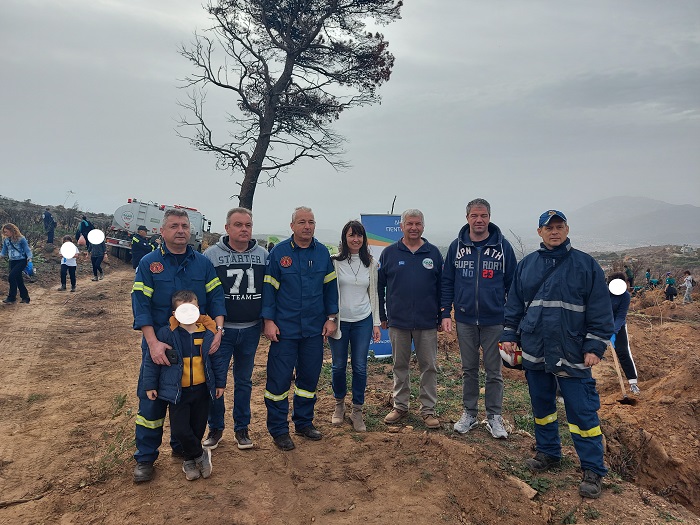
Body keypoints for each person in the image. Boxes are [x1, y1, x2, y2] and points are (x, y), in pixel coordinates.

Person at [500, 210, 614, 499]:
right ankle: (548, 452)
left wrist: (594, 347)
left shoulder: (585, 265)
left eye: (559, 226)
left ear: (567, 229)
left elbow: (601, 311)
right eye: (548, 227)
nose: (554, 231)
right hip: (536, 349)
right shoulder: (527, 266)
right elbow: (514, 305)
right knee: (542, 406)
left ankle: (592, 469)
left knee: (582, 411)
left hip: (572, 352)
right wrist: (509, 336)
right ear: (539, 232)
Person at [131, 209, 226, 483]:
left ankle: (182, 448)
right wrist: (153, 344)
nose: (180, 230)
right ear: (163, 231)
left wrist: (218, 331)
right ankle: (145, 458)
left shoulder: (202, 264)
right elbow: (141, 306)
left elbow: (217, 297)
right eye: (174, 226)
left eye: (184, 225)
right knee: (152, 403)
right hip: (161, 343)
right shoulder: (149, 264)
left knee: (190, 397)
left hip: (196, 343)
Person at [261, 206, 338, 451]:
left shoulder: (323, 252)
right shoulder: (280, 253)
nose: (307, 226)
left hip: (314, 330)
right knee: (279, 381)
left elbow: (330, 289)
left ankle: (304, 422)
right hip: (284, 330)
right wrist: (268, 321)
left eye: (311, 222)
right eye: (302, 222)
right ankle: (279, 430)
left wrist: (331, 317)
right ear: (292, 226)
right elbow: (269, 290)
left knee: (308, 379)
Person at [440, 198, 517, 439]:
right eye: (474, 216)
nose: (479, 220)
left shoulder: (503, 248)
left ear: (489, 217)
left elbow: (513, 287)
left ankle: (494, 416)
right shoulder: (456, 247)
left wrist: (511, 321)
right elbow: (447, 282)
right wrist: (445, 312)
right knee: (469, 369)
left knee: (494, 371)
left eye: (483, 215)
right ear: (467, 218)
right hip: (464, 319)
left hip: (495, 320)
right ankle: (470, 413)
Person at [201, 207, 268, 450]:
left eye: (248, 225)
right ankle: (215, 428)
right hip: (221, 331)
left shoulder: (263, 255)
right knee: (216, 380)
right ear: (227, 228)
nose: (244, 229)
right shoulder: (211, 255)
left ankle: (242, 429)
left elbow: (269, 292)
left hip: (250, 330)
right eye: (238, 225)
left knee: (244, 381)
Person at [142, 290, 226, 481]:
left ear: (198, 309)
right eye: (183, 310)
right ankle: (200, 455)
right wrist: (150, 385)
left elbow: (218, 359)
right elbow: (151, 360)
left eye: (193, 308)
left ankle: (189, 461)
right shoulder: (165, 334)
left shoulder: (207, 333)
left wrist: (220, 383)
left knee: (197, 428)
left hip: (202, 390)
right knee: (180, 430)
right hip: (178, 392)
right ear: (174, 314)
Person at [378, 209, 443, 430]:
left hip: (427, 321)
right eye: (409, 223)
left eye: (418, 223)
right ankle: (400, 406)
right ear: (401, 226)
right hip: (398, 321)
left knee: (429, 367)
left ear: (423, 226)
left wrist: (443, 315)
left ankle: (428, 410)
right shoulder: (389, 253)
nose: (414, 227)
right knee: (400, 365)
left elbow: (442, 288)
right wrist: (383, 316)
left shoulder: (433, 253)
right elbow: (379, 287)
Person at [329, 220, 381, 432]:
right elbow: (329, 293)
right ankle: (339, 405)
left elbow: (375, 294)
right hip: (340, 322)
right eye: (352, 235)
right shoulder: (334, 262)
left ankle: (357, 410)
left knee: (360, 366)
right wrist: (330, 318)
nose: (356, 239)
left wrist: (376, 323)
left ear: (364, 239)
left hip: (363, 320)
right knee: (338, 365)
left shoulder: (371, 264)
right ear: (345, 237)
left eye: (359, 236)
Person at [608, 272, 640, 395]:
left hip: (618, 325)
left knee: (623, 351)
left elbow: (621, 316)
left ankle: (633, 383)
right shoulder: (603, 292)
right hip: (601, 324)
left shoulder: (625, 296)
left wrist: (613, 330)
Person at [1, 223, 32, 304]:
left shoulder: (21, 239)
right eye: (4, 232)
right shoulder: (6, 240)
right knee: (18, 279)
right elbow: (3, 251)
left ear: (12, 231)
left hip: (21, 260)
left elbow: (27, 249)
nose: (5, 233)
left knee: (11, 277)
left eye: (6, 231)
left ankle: (12, 297)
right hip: (12, 261)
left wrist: (29, 258)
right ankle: (25, 297)